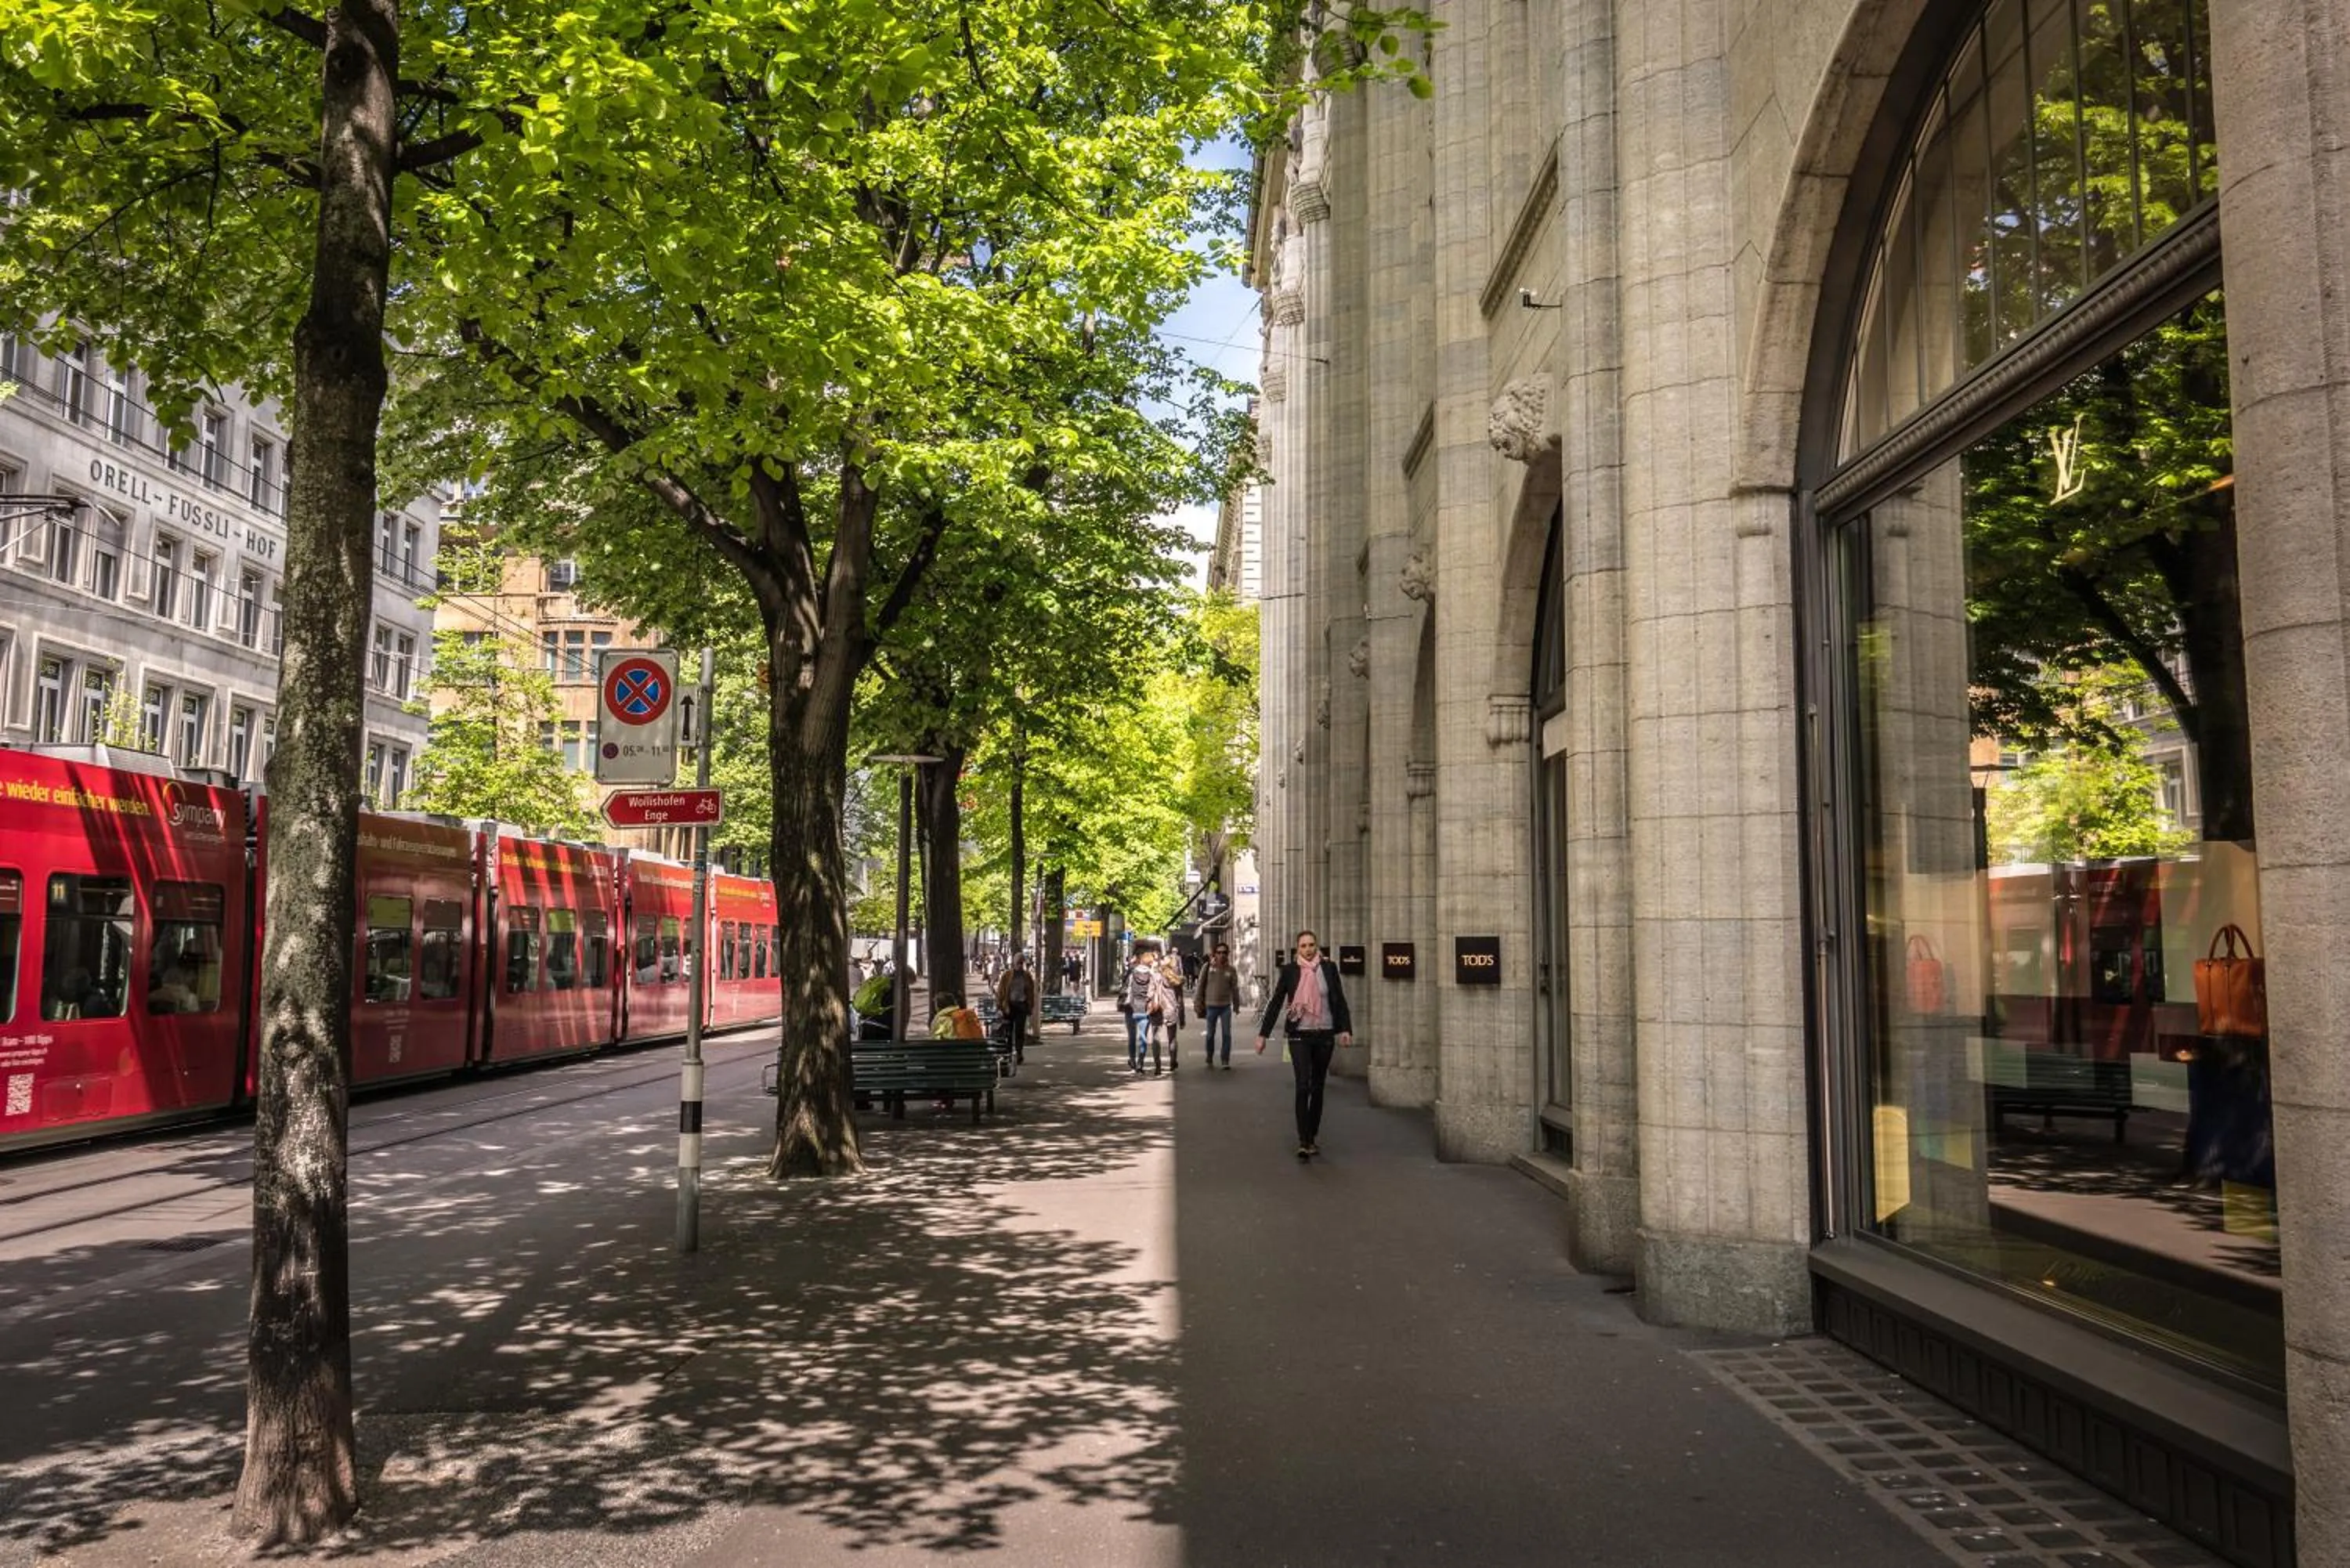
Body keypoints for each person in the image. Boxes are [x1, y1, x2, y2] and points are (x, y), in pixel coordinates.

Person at [1256, 929, 1353, 1159]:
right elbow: (1276, 1001)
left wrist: (1345, 1029)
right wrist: (1263, 1034)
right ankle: (1303, 1140)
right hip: (1299, 1035)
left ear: (1317, 947)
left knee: (1318, 1086)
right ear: (1297, 950)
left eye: (1311, 945)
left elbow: (1338, 1000)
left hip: (1324, 1034)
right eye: (1303, 946)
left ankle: (1312, 1135)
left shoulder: (1329, 969)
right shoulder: (1290, 971)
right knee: (1303, 1085)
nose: (1308, 950)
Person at [1196, 943, 1239, 1068]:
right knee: (1210, 1035)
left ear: (1228, 954)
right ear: (1215, 954)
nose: (1222, 955)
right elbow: (1200, 985)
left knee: (1227, 1034)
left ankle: (1225, 1060)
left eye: (1224, 952)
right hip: (1211, 1006)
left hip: (1225, 1006)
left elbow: (1235, 988)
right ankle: (1209, 1056)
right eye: (1219, 952)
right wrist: (1198, 1002)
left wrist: (1236, 1005)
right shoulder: (1208, 967)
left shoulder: (1231, 970)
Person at [1121, 950, 1160, 1075]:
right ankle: (1140, 1063)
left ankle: (1132, 1060)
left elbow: (1126, 988)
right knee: (1143, 1036)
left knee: (1131, 1036)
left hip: (1131, 1008)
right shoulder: (1152, 975)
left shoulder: (1132, 973)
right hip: (1145, 1009)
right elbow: (1154, 991)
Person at [995, 952, 1036, 1064]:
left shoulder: (1027, 976)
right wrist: (999, 1005)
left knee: (1019, 1031)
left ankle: (1019, 1053)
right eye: (1018, 962)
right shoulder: (1007, 975)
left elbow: (1030, 992)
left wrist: (1030, 1006)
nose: (1020, 965)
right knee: (1008, 1031)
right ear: (1013, 963)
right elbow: (1001, 991)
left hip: (1021, 1006)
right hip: (1009, 1007)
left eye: (1021, 963)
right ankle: (1008, 1054)